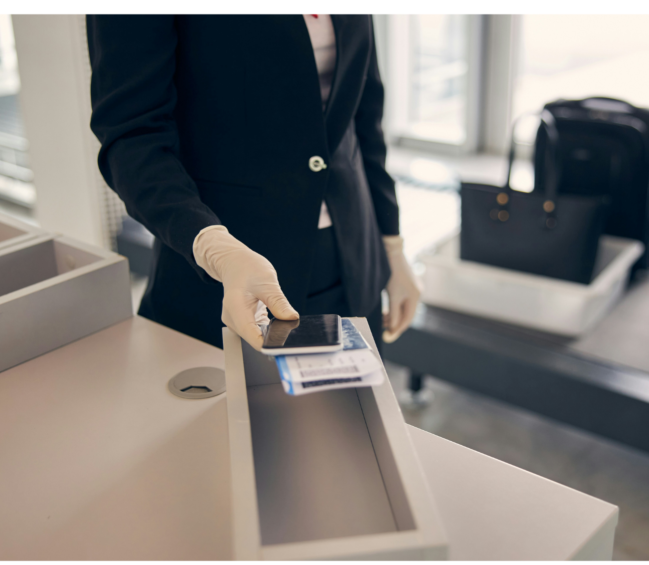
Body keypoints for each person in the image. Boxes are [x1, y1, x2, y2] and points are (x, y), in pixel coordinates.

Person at [86, 15, 419, 352]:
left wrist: (391, 243)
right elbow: (132, 136)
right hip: (229, 277)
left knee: (353, 406)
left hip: (354, 261)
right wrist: (214, 247)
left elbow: (364, 109)